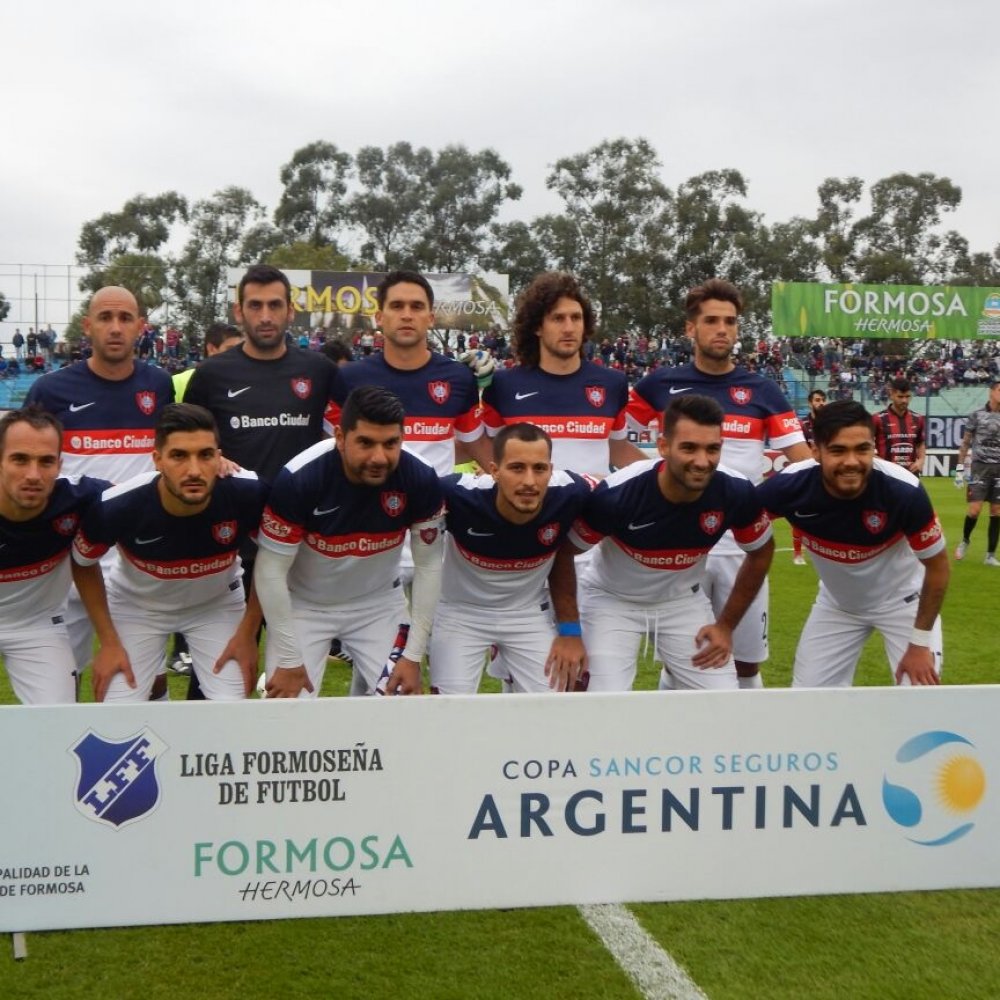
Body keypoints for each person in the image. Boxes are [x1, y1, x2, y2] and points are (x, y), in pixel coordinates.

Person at [626, 278, 809, 688]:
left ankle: (743, 747)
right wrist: (650, 484)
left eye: (730, 321)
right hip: (678, 546)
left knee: (744, 662)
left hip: (739, 547)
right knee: (681, 659)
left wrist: (761, 502)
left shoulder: (762, 390)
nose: (722, 329)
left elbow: (803, 464)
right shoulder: (659, 385)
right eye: (711, 320)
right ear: (691, 329)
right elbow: (613, 438)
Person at [567, 395, 774, 691]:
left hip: (682, 602)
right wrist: (569, 630)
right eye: (689, 448)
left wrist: (725, 625)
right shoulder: (617, 494)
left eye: (712, 449)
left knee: (723, 700)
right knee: (602, 702)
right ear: (663, 447)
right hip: (611, 601)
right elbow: (564, 553)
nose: (702, 461)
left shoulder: (736, 491)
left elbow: (761, 551)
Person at [25, 286, 174, 690]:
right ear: (87, 326)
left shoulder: (159, 386)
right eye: (105, 318)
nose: (115, 327)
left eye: (125, 319)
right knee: (59, 683)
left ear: (140, 328)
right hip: (67, 561)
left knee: (144, 681)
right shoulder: (50, 391)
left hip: (135, 560)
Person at [254, 386, 444, 698]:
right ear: (340, 437)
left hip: (379, 606)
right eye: (366, 443)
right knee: (287, 715)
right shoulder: (300, 477)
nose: (379, 457)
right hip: (305, 606)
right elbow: (270, 570)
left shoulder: (420, 477)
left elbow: (429, 567)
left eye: (391, 443)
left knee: (402, 706)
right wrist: (289, 658)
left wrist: (412, 656)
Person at [71, 404, 268, 702]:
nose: (193, 470)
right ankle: (154, 692)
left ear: (219, 456)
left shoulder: (248, 492)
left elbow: (275, 558)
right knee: (117, 713)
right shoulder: (118, 505)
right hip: (138, 607)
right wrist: (109, 641)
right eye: (179, 456)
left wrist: (248, 632)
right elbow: (83, 563)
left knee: (231, 707)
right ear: (157, 459)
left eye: (205, 455)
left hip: (216, 605)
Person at [757, 400, 949, 687]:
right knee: (808, 703)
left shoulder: (903, 490)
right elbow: (735, 520)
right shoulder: (789, 487)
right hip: (838, 606)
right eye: (838, 450)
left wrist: (920, 643)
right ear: (816, 451)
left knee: (919, 698)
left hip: (904, 605)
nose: (851, 461)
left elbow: (938, 568)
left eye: (862, 449)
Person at [429, 423, 591, 695]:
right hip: (461, 613)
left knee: (556, 705)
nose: (529, 481)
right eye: (517, 468)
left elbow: (564, 552)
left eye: (539, 469)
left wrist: (570, 632)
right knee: (449, 710)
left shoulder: (572, 492)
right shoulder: (456, 495)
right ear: (494, 471)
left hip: (526, 613)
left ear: (551, 470)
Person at [467, 271, 645, 477]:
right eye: (558, 318)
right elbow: (485, 447)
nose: (569, 328)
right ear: (537, 327)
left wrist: (666, 476)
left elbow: (618, 449)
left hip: (594, 507)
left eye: (576, 318)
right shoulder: (502, 385)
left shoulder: (613, 383)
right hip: (530, 508)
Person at [0, 407, 108, 703]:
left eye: (46, 461)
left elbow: (154, 492)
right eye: (19, 459)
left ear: (60, 465)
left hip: (36, 626)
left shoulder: (79, 498)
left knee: (59, 724)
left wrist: (220, 466)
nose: (33, 475)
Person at [329, 270, 481, 479]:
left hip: (437, 507)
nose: (407, 315)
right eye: (397, 306)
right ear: (380, 317)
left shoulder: (459, 378)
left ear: (430, 318)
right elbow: (328, 447)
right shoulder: (348, 378)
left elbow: (476, 445)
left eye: (416, 306)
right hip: (368, 508)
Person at [953, 379, 1000, 565]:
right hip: (979, 467)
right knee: (974, 510)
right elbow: (965, 443)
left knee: (996, 511)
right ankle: (965, 540)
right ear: (991, 392)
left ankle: (990, 555)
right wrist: (959, 470)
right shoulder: (977, 415)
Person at [792, 389, 826, 565]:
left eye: (823, 400)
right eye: (817, 400)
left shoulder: (829, 422)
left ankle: (826, 552)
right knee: (801, 512)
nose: (820, 403)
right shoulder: (803, 424)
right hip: (807, 472)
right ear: (810, 403)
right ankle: (798, 554)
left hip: (826, 474)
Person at [172, 322, 243, 402]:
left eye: (240, 350)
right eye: (231, 349)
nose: (237, 355)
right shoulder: (178, 382)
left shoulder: (245, 383)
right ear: (211, 349)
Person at [874, 377, 926, 475]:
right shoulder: (877, 419)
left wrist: (921, 461)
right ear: (891, 395)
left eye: (907, 396)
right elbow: (867, 448)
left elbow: (920, 443)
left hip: (910, 475)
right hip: (886, 477)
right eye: (900, 396)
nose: (904, 400)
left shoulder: (918, 419)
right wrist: (882, 465)